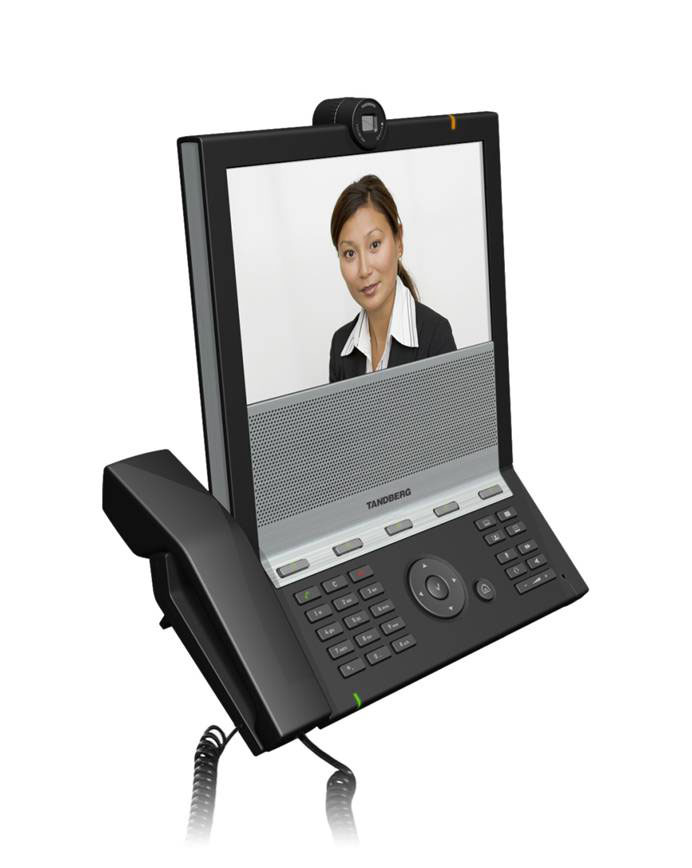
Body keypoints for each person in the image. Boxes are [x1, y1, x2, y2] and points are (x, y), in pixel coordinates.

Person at [329, 174, 456, 383]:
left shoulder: (435, 335)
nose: (364, 270)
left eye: (375, 245)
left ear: (398, 241)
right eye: (350, 253)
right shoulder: (340, 346)